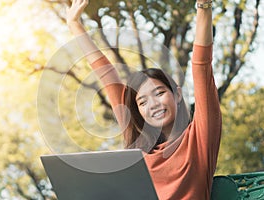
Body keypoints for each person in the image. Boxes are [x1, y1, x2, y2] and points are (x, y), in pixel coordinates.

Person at [66, 0, 221, 199]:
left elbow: (201, 66)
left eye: (159, 93)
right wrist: (74, 24)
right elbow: (107, 75)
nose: (153, 105)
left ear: (178, 94)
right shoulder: (138, 148)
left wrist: (204, 7)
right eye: (142, 102)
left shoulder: (200, 138)